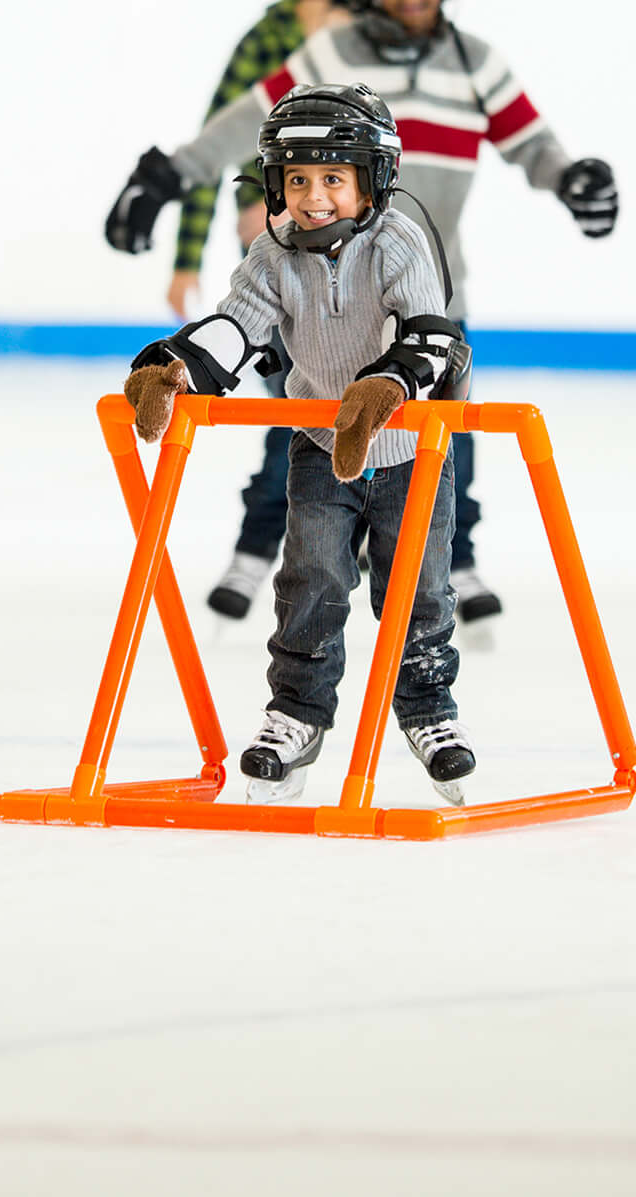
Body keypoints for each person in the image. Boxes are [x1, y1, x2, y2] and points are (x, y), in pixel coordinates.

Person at [105, 0, 616, 630]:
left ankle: (453, 553)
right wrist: (170, 174)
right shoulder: (334, 57)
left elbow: (530, 142)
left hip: (436, 298)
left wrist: (570, 178)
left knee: (448, 431)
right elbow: (251, 120)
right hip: (328, 289)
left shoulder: (475, 64)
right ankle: (302, 549)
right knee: (310, 417)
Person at [120, 85, 474, 803]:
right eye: (298, 179)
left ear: (372, 180)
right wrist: (178, 369)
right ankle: (297, 712)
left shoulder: (399, 240)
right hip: (321, 442)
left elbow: (431, 334)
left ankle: (430, 711)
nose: (313, 197)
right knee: (310, 578)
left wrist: (387, 388)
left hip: (413, 449)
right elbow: (238, 325)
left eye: (333, 179)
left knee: (417, 588)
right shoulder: (273, 252)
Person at [165, 0, 365, 623]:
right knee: (296, 404)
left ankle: (362, 545)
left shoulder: (378, 34)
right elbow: (215, 140)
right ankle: (257, 551)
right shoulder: (272, 35)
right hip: (281, 255)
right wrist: (188, 257)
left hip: (368, 256)